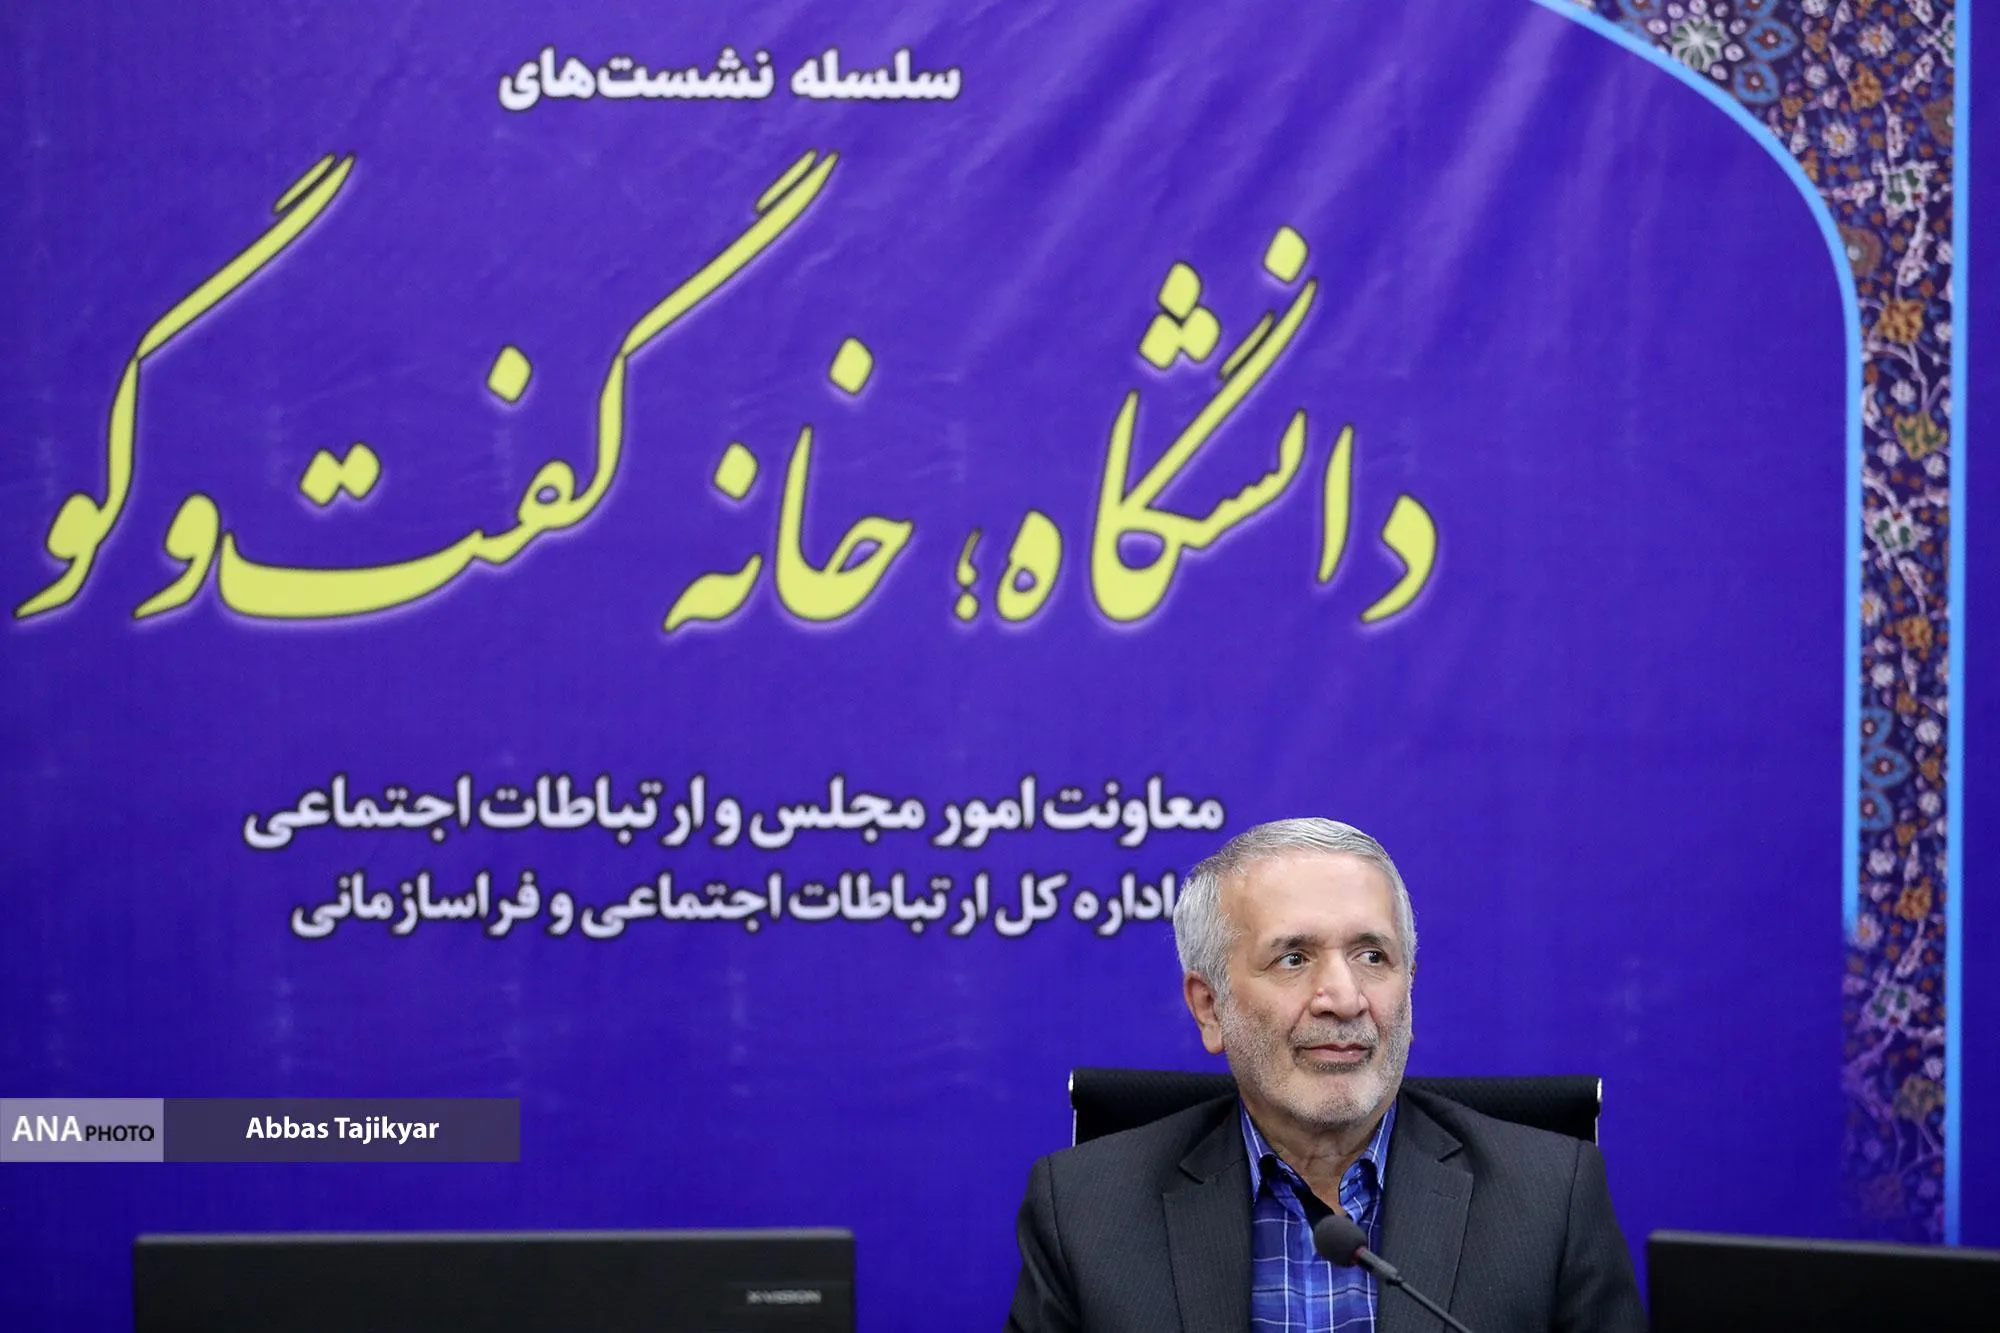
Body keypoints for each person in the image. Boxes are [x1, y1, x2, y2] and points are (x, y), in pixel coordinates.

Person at [1005, 818, 1647, 1332]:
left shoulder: (1550, 1201)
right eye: (1293, 958)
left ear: (1409, 991)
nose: (1343, 998)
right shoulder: (1085, 1212)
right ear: (1210, 1008)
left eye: (1372, 956)